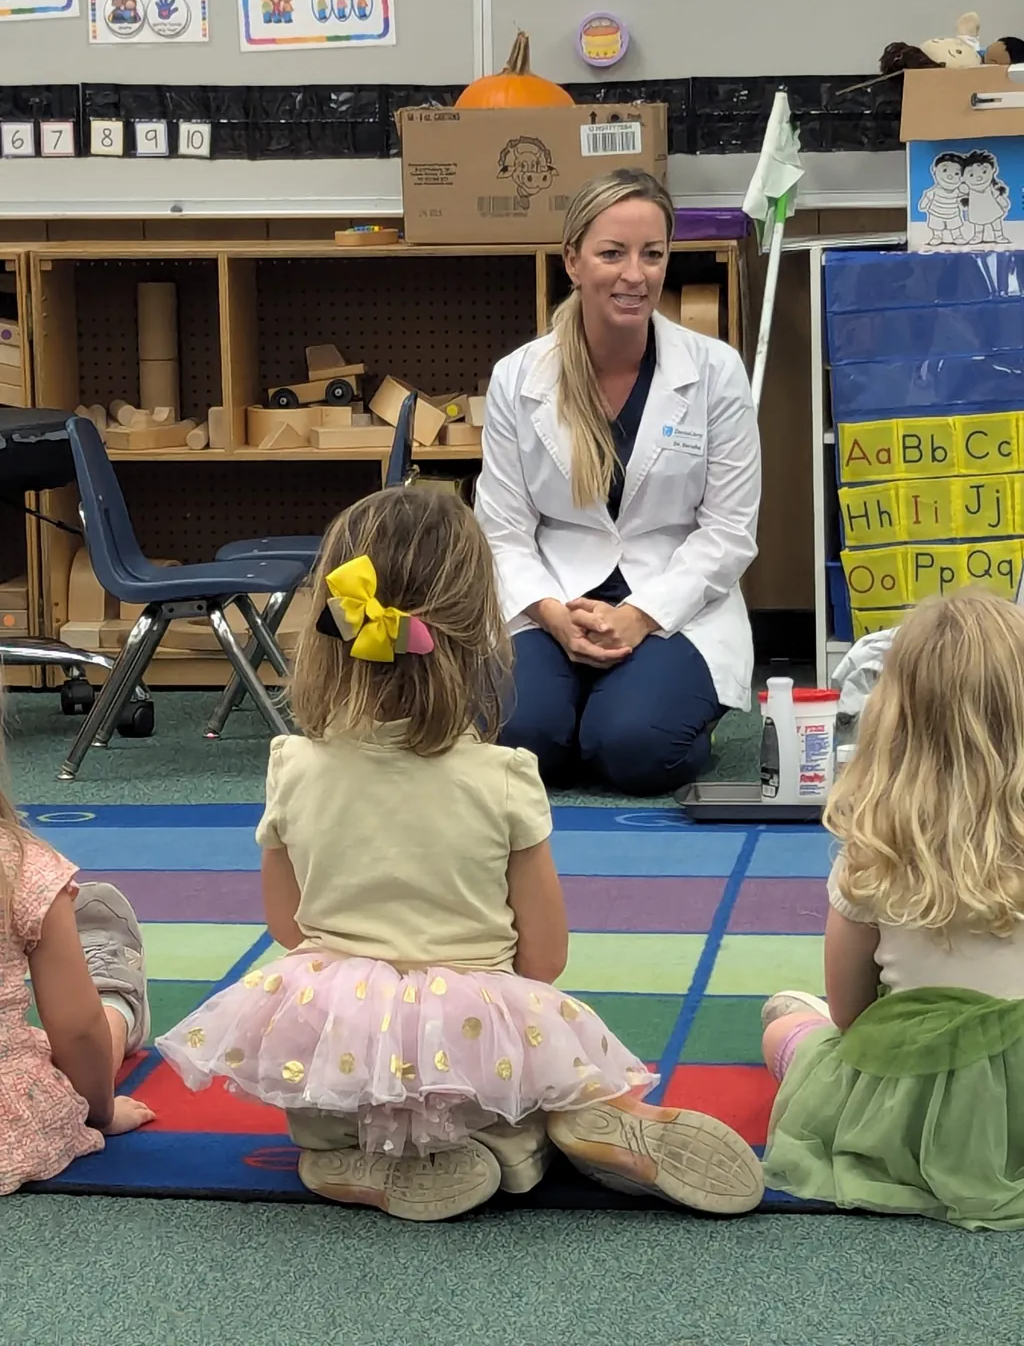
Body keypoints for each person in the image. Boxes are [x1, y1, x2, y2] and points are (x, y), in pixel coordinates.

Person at [157, 486, 763, 1222]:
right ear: (481, 631)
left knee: (317, 1111)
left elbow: (288, 925)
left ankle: (356, 1158)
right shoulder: (502, 777)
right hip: (472, 1038)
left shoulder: (294, 766)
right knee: (519, 1072)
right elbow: (544, 957)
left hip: (342, 1031)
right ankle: (540, 1131)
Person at [475, 168, 761, 797]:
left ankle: (630, 715)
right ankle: (582, 713)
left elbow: (730, 533)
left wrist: (638, 616)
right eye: (613, 253)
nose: (636, 275)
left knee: (637, 752)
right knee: (522, 745)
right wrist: (552, 615)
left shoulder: (715, 372)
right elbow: (501, 529)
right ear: (572, 260)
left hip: (673, 602)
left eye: (652, 255)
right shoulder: (517, 378)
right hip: (552, 600)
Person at [761, 591, 1024, 1229]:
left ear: (893, 714)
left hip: (914, 1108)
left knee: (787, 1024)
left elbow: (851, 1014)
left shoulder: (873, 849)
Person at [0, 720, 154, 1195]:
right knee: (81, 1030)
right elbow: (78, 1032)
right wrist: (99, 1113)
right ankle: (117, 1001)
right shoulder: (18, 864)